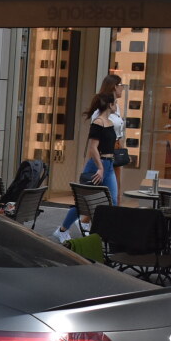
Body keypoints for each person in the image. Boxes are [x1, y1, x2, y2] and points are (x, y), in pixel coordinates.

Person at [51, 92, 120, 243]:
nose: (117, 105)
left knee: (113, 201)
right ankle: (62, 230)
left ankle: (104, 235)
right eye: (115, 102)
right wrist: (100, 168)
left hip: (108, 166)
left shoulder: (109, 123)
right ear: (110, 105)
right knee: (84, 202)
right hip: (97, 166)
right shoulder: (98, 122)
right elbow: (92, 148)